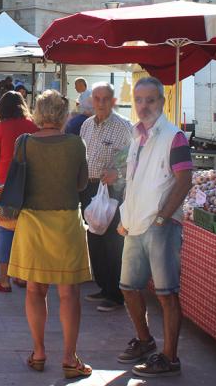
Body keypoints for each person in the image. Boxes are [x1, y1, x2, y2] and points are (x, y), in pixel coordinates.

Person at [8, 90, 92, 379]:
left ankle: (39, 352)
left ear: (39, 113)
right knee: (69, 293)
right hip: (67, 220)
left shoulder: (24, 143)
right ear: (63, 114)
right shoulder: (75, 144)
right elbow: (81, 184)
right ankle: (70, 358)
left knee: (35, 289)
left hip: (32, 221)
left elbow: (15, 182)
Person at [116, 77, 193, 378]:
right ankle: (145, 341)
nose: (144, 106)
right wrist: (125, 217)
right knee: (128, 288)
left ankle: (170, 357)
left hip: (160, 225)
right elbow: (133, 183)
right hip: (135, 225)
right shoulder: (137, 138)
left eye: (150, 100)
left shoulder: (174, 137)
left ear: (161, 102)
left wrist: (162, 217)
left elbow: (184, 180)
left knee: (166, 293)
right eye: (139, 100)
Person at [79, 83, 132, 313]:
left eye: (104, 99)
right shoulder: (87, 125)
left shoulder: (123, 127)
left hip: (111, 190)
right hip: (89, 189)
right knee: (94, 239)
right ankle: (103, 285)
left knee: (112, 242)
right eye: (96, 98)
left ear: (113, 101)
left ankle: (115, 294)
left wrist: (118, 174)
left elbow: (133, 159)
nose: (100, 103)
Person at [0, 91, 39, 293]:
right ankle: (23, 277)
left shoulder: (1, 127)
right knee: (26, 231)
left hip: (5, 184)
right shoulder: (33, 126)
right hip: (29, 182)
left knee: (6, 230)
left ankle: (4, 279)